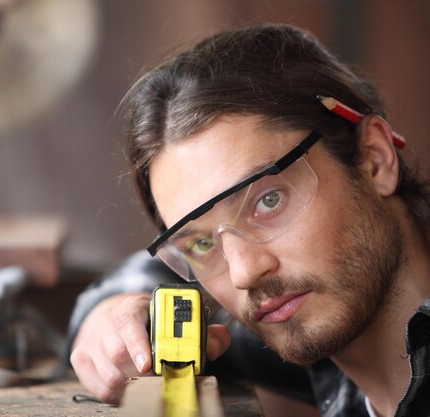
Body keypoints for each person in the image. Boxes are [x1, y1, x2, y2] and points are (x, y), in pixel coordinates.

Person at [67, 23, 430, 417]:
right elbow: (144, 275)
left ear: (374, 159)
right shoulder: (303, 326)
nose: (243, 272)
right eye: (202, 244)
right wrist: (111, 316)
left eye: (269, 201)